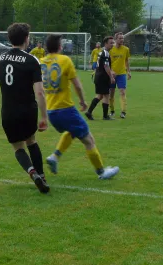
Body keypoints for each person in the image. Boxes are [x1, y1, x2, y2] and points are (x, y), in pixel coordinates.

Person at [41, 34, 119, 180]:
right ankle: (101, 172)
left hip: (51, 111)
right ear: (59, 46)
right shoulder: (65, 60)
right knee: (89, 139)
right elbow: (76, 84)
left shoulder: (42, 62)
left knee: (72, 132)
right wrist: (83, 101)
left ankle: (55, 157)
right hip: (66, 109)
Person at [0, 22, 50, 194]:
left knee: (18, 147)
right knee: (31, 141)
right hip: (27, 110)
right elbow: (40, 92)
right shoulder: (31, 60)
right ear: (26, 39)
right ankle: (41, 174)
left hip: (8, 111)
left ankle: (31, 172)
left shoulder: (1, 59)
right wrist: (44, 116)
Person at [85, 36, 116, 121]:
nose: (112, 45)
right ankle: (105, 116)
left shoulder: (102, 52)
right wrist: (111, 76)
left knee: (101, 96)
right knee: (105, 95)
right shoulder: (105, 53)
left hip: (99, 76)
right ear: (105, 43)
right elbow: (106, 66)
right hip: (102, 77)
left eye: (113, 43)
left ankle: (90, 112)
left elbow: (104, 65)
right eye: (111, 43)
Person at [109, 32, 131, 118]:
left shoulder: (126, 49)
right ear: (115, 39)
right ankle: (112, 111)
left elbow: (126, 61)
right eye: (120, 38)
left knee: (122, 92)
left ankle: (123, 112)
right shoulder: (111, 50)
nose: (122, 40)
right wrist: (110, 71)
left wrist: (128, 71)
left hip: (122, 74)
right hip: (112, 74)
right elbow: (108, 63)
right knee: (111, 93)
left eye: (122, 38)